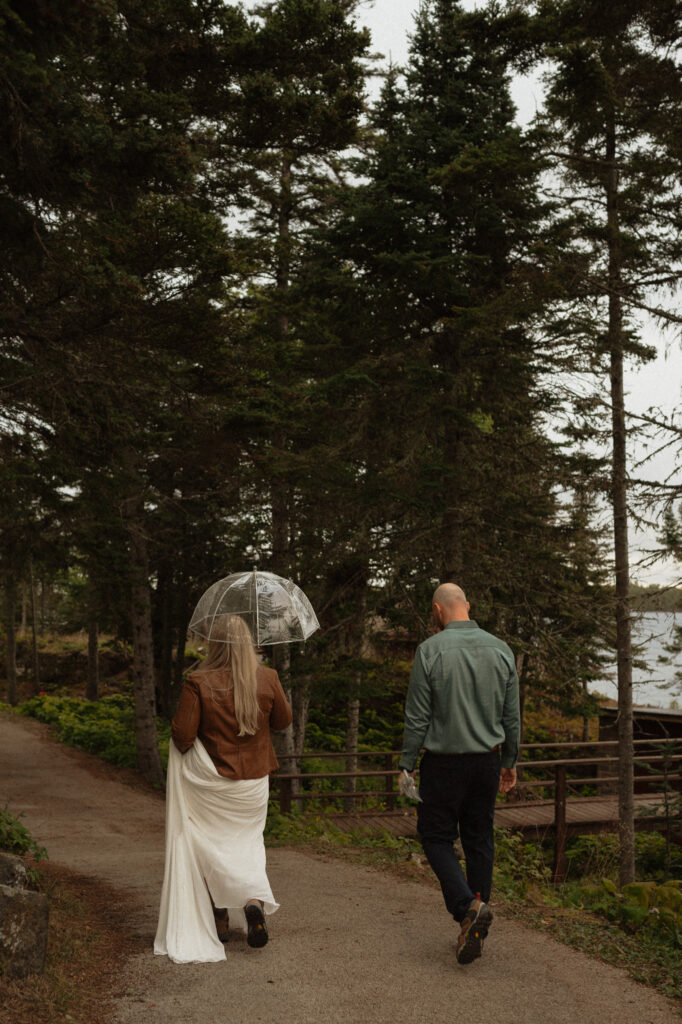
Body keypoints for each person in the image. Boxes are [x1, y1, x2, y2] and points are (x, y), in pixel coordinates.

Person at [154, 614, 292, 963]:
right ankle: (252, 903)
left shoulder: (198, 682)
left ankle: (218, 919)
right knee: (247, 843)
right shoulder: (268, 678)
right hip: (253, 784)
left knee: (208, 847)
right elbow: (282, 721)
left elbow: (183, 737)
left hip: (213, 782)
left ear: (215, 645)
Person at [398, 583, 520, 965]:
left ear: (437, 610)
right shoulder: (501, 649)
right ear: (467, 605)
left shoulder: (429, 651)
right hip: (487, 760)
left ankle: (467, 908)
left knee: (434, 835)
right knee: (479, 838)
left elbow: (418, 716)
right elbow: (511, 716)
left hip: (444, 762)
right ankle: (475, 918)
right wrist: (510, 761)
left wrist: (407, 761)